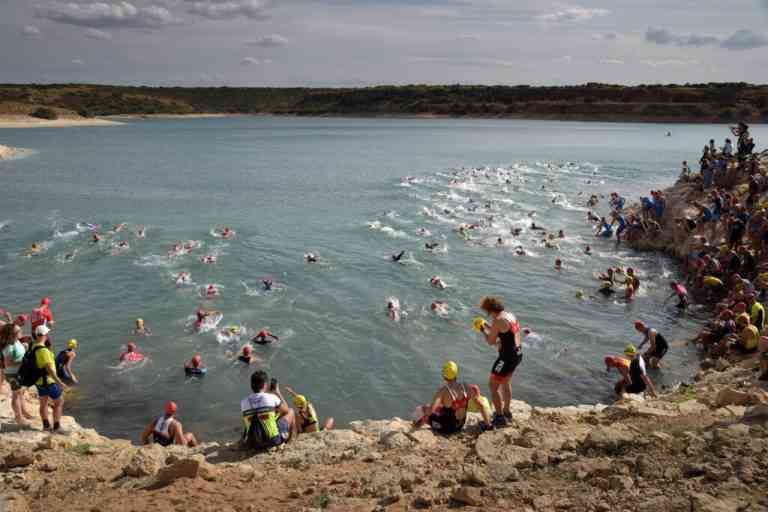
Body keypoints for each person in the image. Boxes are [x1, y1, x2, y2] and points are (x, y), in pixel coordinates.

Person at [477, 296, 522, 427]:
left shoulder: (497, 320)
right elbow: (504, 333)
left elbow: (491, 341)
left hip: (506, 358)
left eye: (487, 312)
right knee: (506, 382)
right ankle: (507, 411)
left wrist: (482, 330)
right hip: (517, 354)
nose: (488, 315)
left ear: (490, 310)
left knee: (493, 386)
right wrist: (486, 325)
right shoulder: (509, 316)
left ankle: (500, 417)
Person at [240, 371, 295, 449]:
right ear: (265, 385)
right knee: (291, 411)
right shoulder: (271, 397)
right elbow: (286, 410)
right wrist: (277, 392)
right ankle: (289, 441)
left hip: (252, 443)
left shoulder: (243, 402)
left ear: (251, 385)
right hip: (272, 441)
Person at [413, 361, 470, 435]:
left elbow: (431, 411)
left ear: (444, 375)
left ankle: (414, 426)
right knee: (439, 408)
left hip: (446, 428)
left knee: (421, 409)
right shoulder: (465, 386)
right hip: (460, 425)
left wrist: (421, 421)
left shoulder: (443, 390)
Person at [31, 325, 68, 432]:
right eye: (47, 334)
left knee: (43, 404)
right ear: (45, 335)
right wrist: (60, 382)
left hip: (38, 381)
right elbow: (50, 370)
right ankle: (57, 427)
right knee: (59, 402)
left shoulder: (33, 347)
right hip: (49, 381)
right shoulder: (44, 351)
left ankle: (46, 426)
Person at [0, 323, 34, 426]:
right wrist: (24, 361)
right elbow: (7, 364)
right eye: (19, 331)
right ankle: (19, 418)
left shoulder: (16, 341)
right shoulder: (9, 347)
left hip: (18, 372)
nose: (21, 331)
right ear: (13, 334)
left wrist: (24, 345)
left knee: (20, 393)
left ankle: (24, 412)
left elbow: (18, 352)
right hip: (13, 374)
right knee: (16, 395)